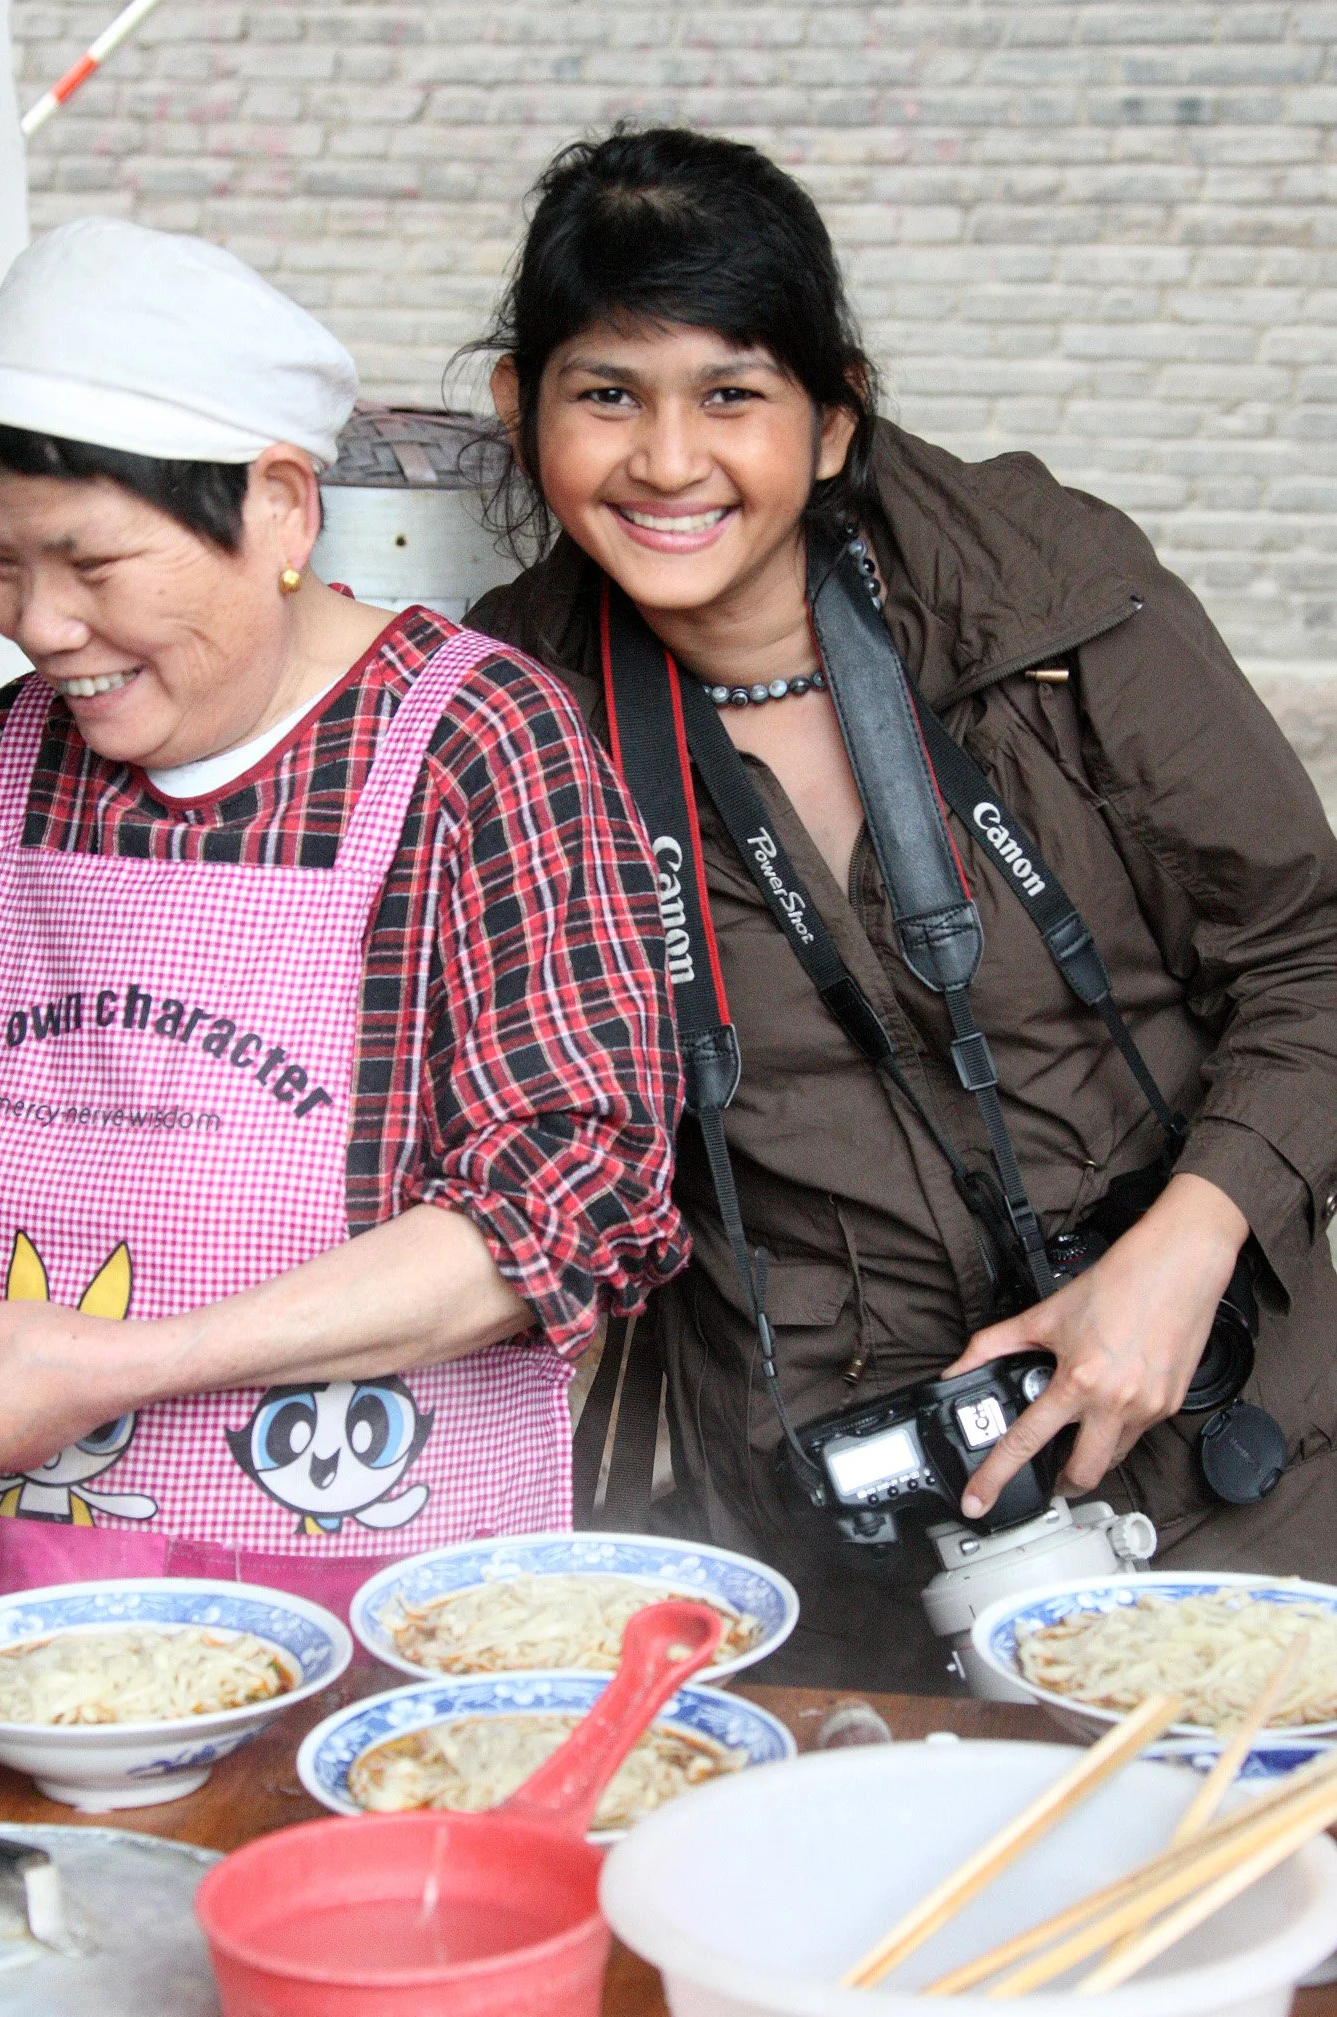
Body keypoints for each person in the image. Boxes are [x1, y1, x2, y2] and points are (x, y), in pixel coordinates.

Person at [467, 127, 1337, 1689]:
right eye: (607, 395)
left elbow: (1310, 956)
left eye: (729, 394)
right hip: (821, 1521)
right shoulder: (512, 704)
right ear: (519, 414)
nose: (667, 463)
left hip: (1218, 1442)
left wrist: (1181, 1252)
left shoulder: (1043, 594)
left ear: (829, 419)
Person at [0, 217, 685, 1645]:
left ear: (277, 508)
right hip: (17, 1637)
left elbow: (569, 1200)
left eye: (92, 563)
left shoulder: (476, 755)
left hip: (384, 1626)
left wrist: (131, 1364)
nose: (42, 626)